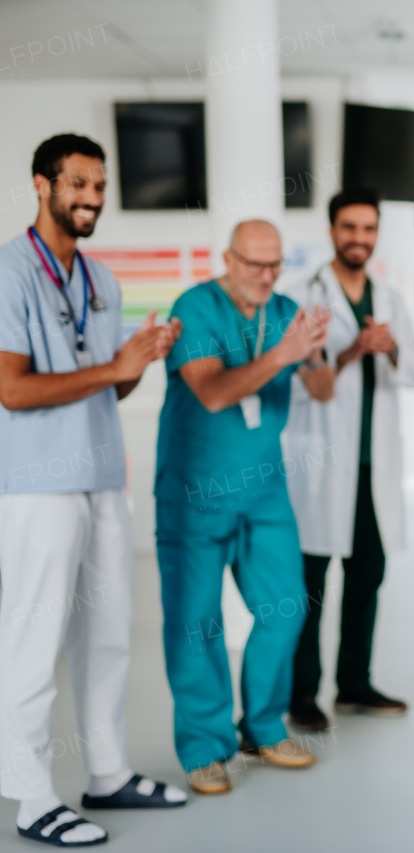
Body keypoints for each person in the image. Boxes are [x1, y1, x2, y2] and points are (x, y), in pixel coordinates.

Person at [0, 134, 186, 848]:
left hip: (104, 478)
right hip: (37, 486)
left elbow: (117, 379)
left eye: (100, 186)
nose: (92, 198)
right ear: (42, 185)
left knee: (107, 638)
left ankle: (106, 772)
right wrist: (115, 365)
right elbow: (13, 388)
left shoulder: (102, 279)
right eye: (78, 184)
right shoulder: (12, 271)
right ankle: (32, 795)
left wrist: (141, 357)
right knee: (34, 636)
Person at [154, 219, 335, 795]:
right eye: (254, 264)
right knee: (196, 624)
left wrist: (320, 353)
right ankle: (205, 748)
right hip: (194, 495)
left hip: (263, 491)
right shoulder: (196, 305)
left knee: (286, 608)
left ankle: (261, 726)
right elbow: (211, 392)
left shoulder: (285, 310)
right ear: (228, 260)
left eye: (275, 264)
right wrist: (286, 353)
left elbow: (323, 388)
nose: (266, 276)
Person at [281, 189, 414, 732]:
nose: (359, 238)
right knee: (310, 587)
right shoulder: (301, 297)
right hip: (320, 467)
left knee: (367, 577)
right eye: (349, 227)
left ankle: (354, 684)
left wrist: (388, 347)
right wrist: (349, 352)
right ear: (332, 230)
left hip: (374, 470)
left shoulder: (389, 300)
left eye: (368, 228)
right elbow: (295, 386)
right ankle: (302, 694)